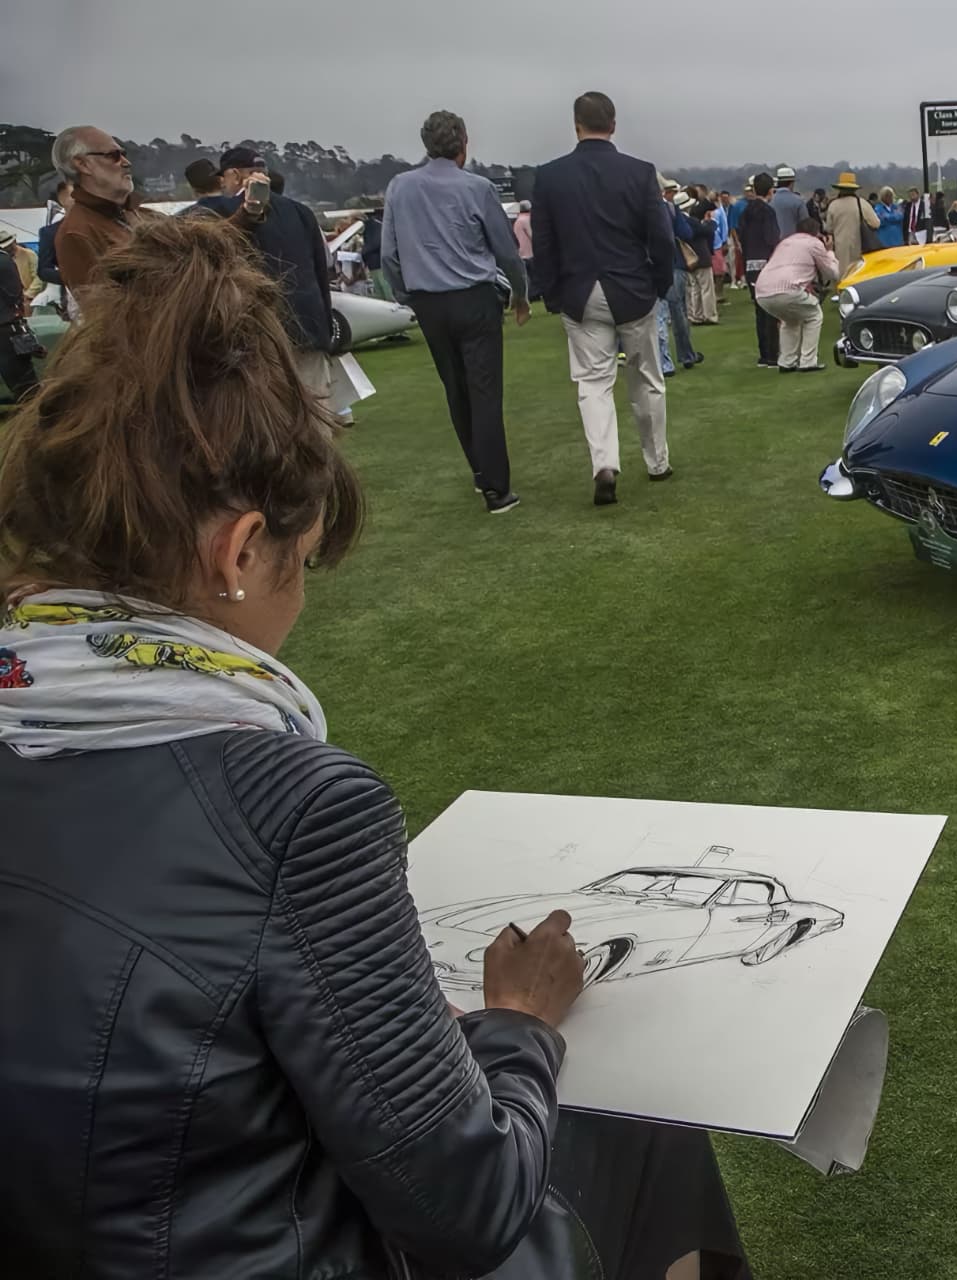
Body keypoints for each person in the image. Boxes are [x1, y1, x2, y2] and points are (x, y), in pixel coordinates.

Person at [0, 215, 754, 1279]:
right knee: (630, 1114)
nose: (297, 599)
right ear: (240, 549)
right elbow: (468, 1202)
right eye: (301, 562)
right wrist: (522, 1023)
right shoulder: (292, 805)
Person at [530, 91, 675, 507]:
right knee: (646, 379)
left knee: (593, 383)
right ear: (613, 124)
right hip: (632, 289)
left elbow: (543, 244)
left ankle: (604, 464)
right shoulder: (639, 172)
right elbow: (661, 238)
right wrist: (659, 284)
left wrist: (553, 293)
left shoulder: (550, 176)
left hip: (579, 292)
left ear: (576, 125)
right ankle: (657, 461)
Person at [382, 109, 531, 515]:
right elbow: (505, 250)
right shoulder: (477, 188)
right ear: (464, 141)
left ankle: (482, 473)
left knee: (456, 389)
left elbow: (389, 254)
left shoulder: (399, 187)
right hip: (474, 297)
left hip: (429, 301)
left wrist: (405, 293)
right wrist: (520, 292)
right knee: (484, 392)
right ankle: (496, 489)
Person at [198, 155, 335, 400]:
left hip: (259, 334)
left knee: (273, 419)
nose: (222, 185)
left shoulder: (218, 211)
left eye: (223, 178)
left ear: (235, 175)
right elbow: (321, 272)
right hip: (309, 326)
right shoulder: (301, 211)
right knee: (317, 415)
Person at [50, 126, 153, 309]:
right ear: (82, 164)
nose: (126, 162)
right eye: (113, 155)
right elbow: (106, 317)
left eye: (123, 153)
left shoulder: (148, 216)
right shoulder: (76, 233)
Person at [754, 216, 837, 372]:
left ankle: (786, 361)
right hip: (787, 289)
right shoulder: (814, 243)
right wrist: (830, 252)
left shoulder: (784, 242)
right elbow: (833, 273)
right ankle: (808, 361)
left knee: (790, 320)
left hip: (762, 291)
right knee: (814, 315)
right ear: (816, 232)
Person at [736, 172, 783, 369]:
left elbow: (742, 237)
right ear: (771, 190)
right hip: (766, 263)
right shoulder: (768, 212)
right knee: (770, 309)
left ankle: (764, 353)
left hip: (750, 263)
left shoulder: (746, 212)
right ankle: (772, 354)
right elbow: (772, 238)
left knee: (759, 309)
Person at [659, 182, 701, 369]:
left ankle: (663, 361)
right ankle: (686, 355)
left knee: (657, 316)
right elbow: (686, 233)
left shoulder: (640, 208)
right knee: (678, 313)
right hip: (674, 263)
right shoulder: (670, 209)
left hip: (651, 265)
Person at [0, 231, 41, 400]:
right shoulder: (5, 260)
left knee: (21, 383)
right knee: (25, 384)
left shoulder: (5, 260)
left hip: (7, 325)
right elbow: (14, 293)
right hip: (9, 326)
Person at [824, 171, 880, 278]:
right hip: (860, 247)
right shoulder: (862, 203)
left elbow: (829, 228)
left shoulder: (833, 205)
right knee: (858, 275)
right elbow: (876, 223)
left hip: (840, 249)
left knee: (842, 276)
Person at [684, 191, 719, 325]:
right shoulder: (691, 222)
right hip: (701, 257)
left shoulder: (683, 220)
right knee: (706, 289)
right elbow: (708, 231)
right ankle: (709, 315)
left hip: (689, 258)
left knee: (695, 289)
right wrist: (710, 222)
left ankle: (696, 315)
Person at [361, 201, 392, 300]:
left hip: (379, 265)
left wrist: (363, 251)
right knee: (380, 293)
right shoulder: (371, 226)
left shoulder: (374, 225)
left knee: (386, 292)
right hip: (374, 266)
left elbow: (376, 243)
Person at [770, 164, 807, 237]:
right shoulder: (798, 201)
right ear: (791, 183)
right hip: (793, 242)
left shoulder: (770, 200)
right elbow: (805, 224)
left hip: (774, 243)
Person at [513, 200, 537, 299]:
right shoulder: (527, 220)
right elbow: (532, 235)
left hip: (521, 253)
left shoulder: (517, 220)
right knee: (535, 276)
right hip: (530, 252)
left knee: (527, 277)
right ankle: (535, 294)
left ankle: (530, 295)